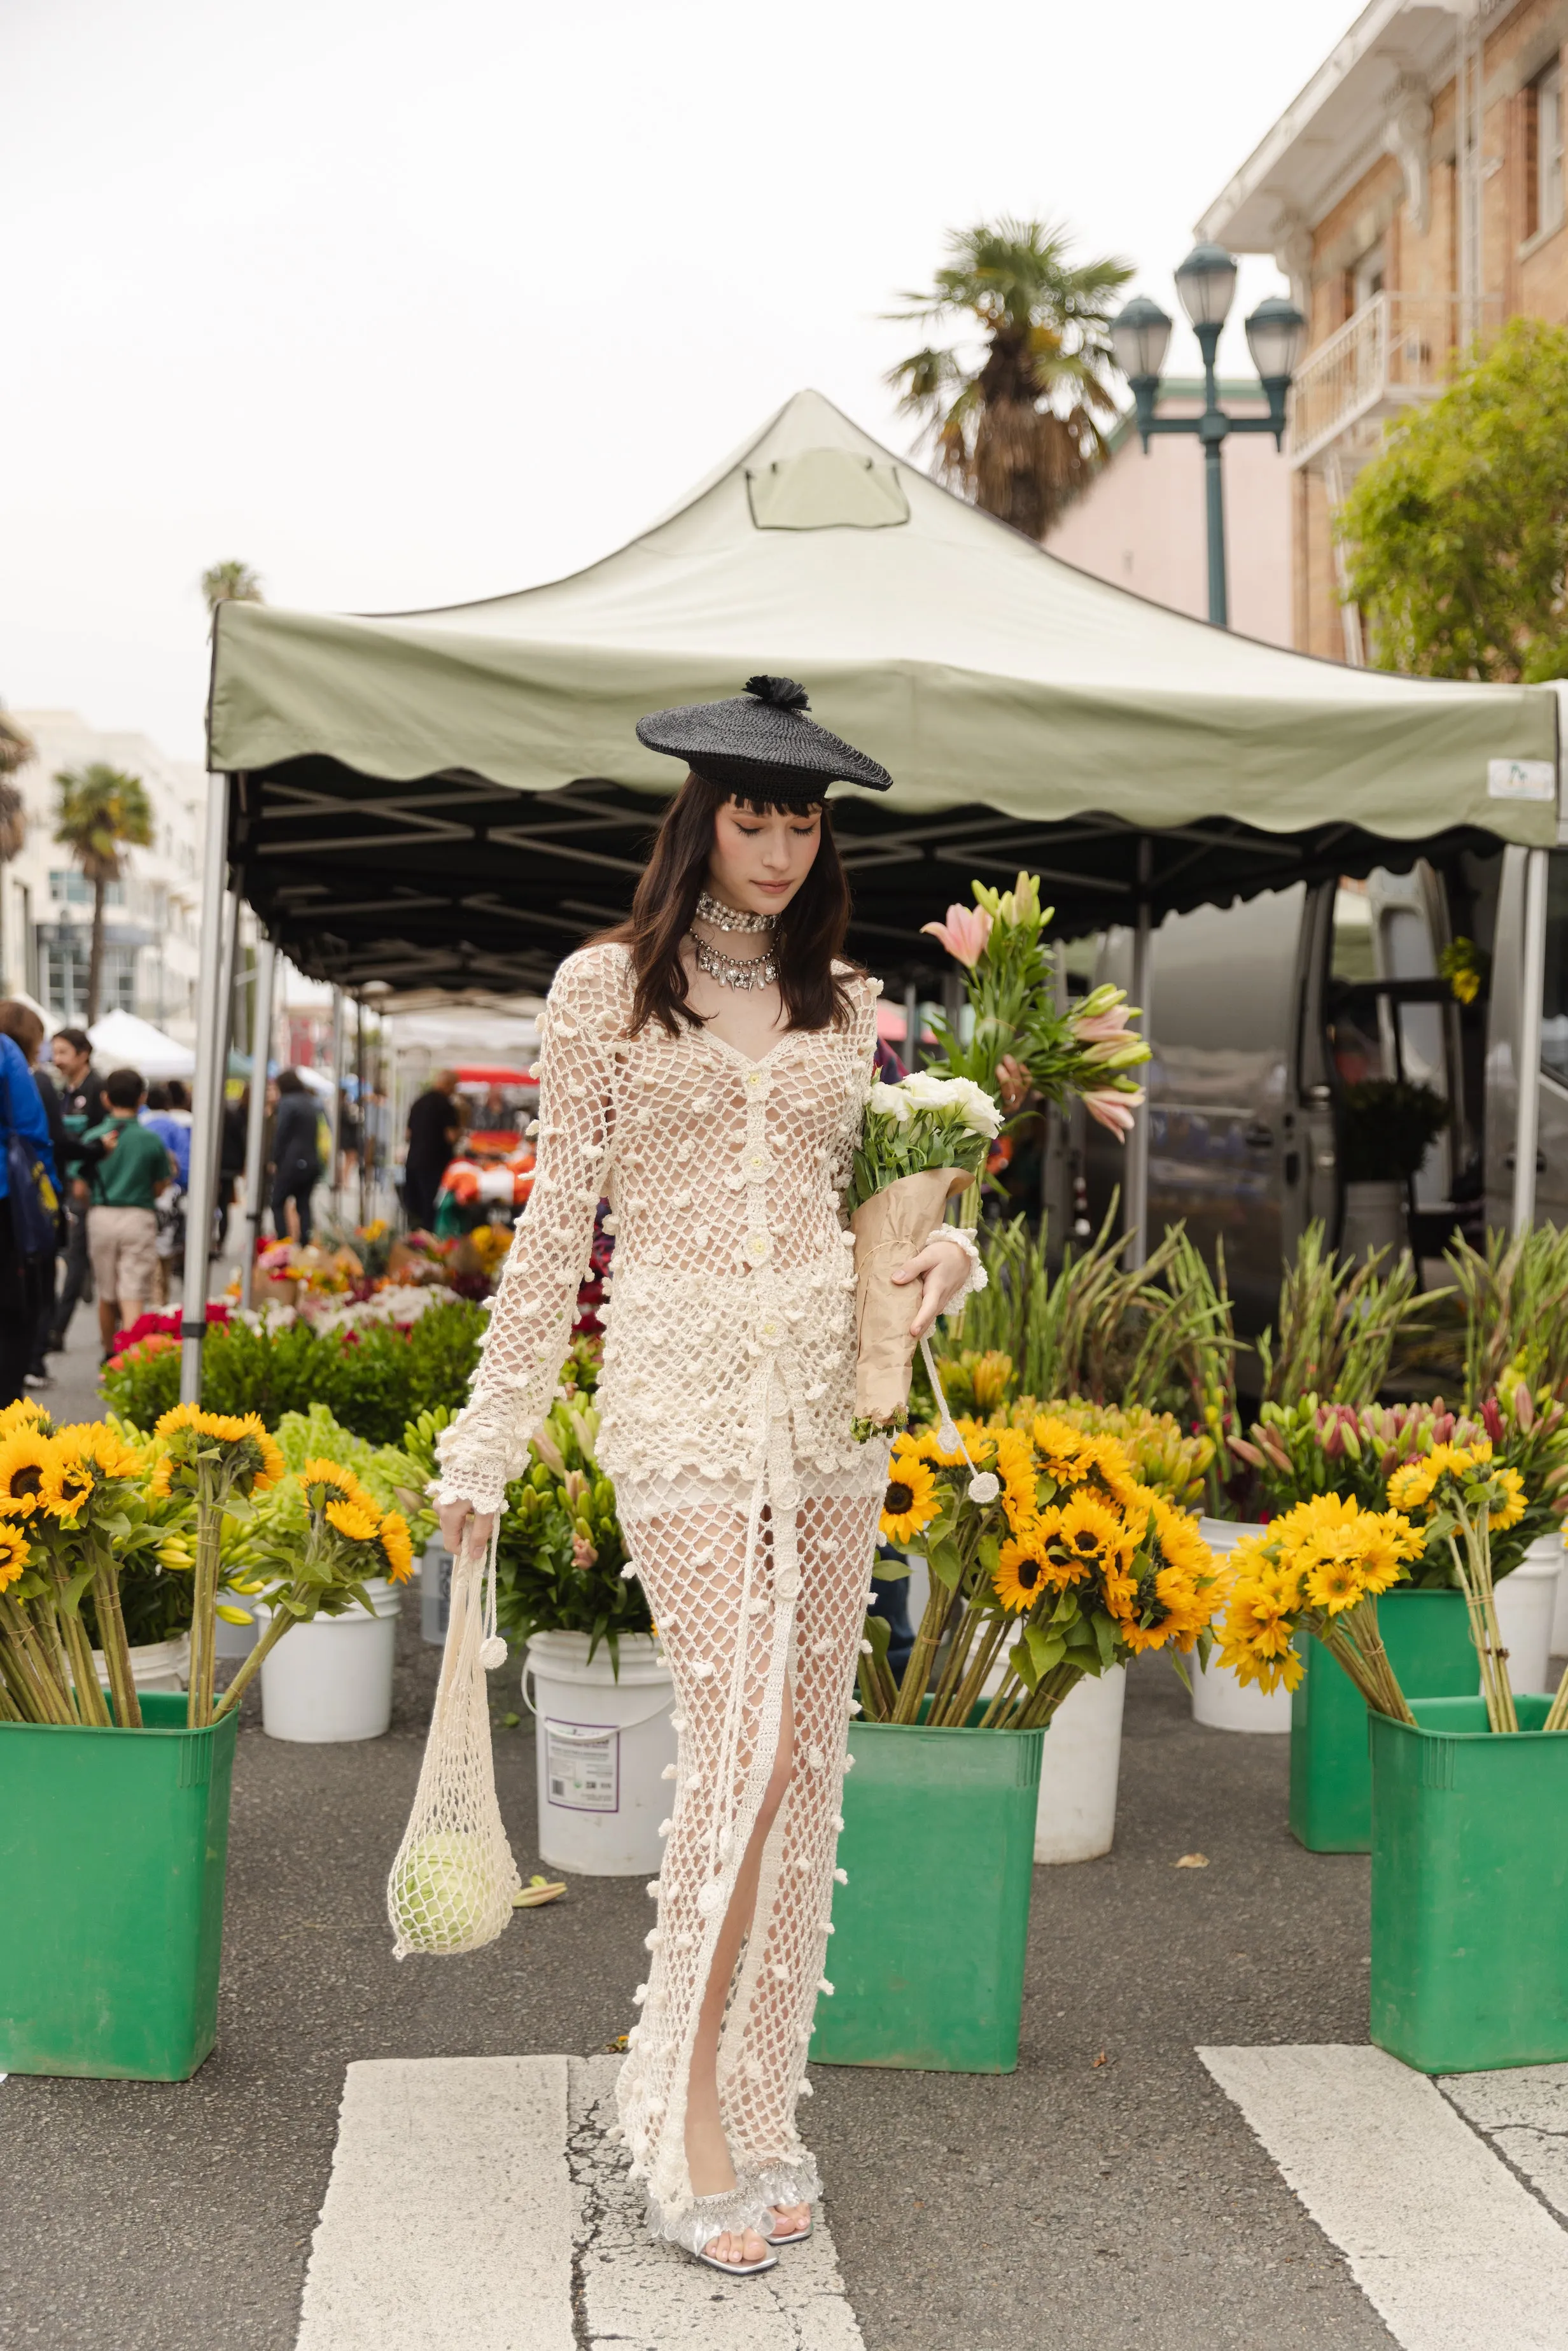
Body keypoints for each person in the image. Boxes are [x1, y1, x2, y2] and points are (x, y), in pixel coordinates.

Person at [434, 677, 981, 2276]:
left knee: (806, 1751)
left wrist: (938, 1251)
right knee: (736, 1728)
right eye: (751, 814)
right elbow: (554, 1234)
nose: (776, 845)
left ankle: (759, 2091)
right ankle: (668, 2102)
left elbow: (867, 1199)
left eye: (802, 818)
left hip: (828, 1403)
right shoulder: (606, 986)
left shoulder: (843, 1000)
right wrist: (489, 1439)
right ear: (700, 816)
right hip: (676, 1396)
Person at [83, 1067, 172, 1356]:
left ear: (106, 1098)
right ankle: (133, 1360)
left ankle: (109, 1355)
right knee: (133, 1292)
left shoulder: (93, 1137)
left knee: (107, 1293)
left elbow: (79, 1189)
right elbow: (160, 1187)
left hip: (101, 1215)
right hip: (138, 1216)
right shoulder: (150, 1140)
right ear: (142, 1098)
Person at [0, 1002, 62, 1405]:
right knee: (12, 1313)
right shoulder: (5, 1050)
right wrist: (50, 1204)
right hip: (5, 1202)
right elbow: (32, 1133)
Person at [47, 1025, 109, 1349]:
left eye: (62, 1052)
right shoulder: (63, 1093)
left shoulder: (97, 1090)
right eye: (53, 1052)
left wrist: (83, 1177)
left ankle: (57, 1329)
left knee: (75, 1255)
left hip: (88, 1188)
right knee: (73, 1254)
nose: (56, 1059)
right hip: (64, 1184)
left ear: (82, 1054)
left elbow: (101, 1141)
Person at [403, 1068, 460, 1229]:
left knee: (415, 1209)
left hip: (414, 1161)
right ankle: (430, 1245)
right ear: (449, 1085)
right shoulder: (446, 1105)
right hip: (435, 1164)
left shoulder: (418, 1102)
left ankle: (414, 1242)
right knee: (431, 1209)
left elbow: (407, 1134)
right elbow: (452, 1136)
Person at [269, 1068, 321, 1243]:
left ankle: (283, 1241)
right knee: (304, 1204)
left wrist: (275, 1159)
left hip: (292, 1162)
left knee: (277, 1202)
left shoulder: (287, 1103)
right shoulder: (310, 1102)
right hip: (311, 1161)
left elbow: (281, 1134)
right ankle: (305, 1242)